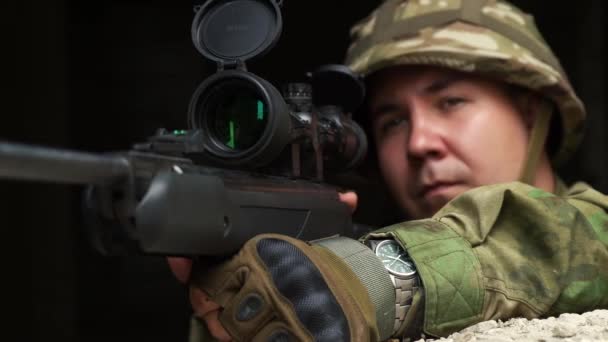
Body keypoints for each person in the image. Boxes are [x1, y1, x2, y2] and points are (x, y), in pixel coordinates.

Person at [171, 0, 608, 340]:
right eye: (392, 121)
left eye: (450, 102)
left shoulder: (592, 228)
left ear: (532, 114)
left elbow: (555, 241)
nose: (419, 143)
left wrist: (369, 275)